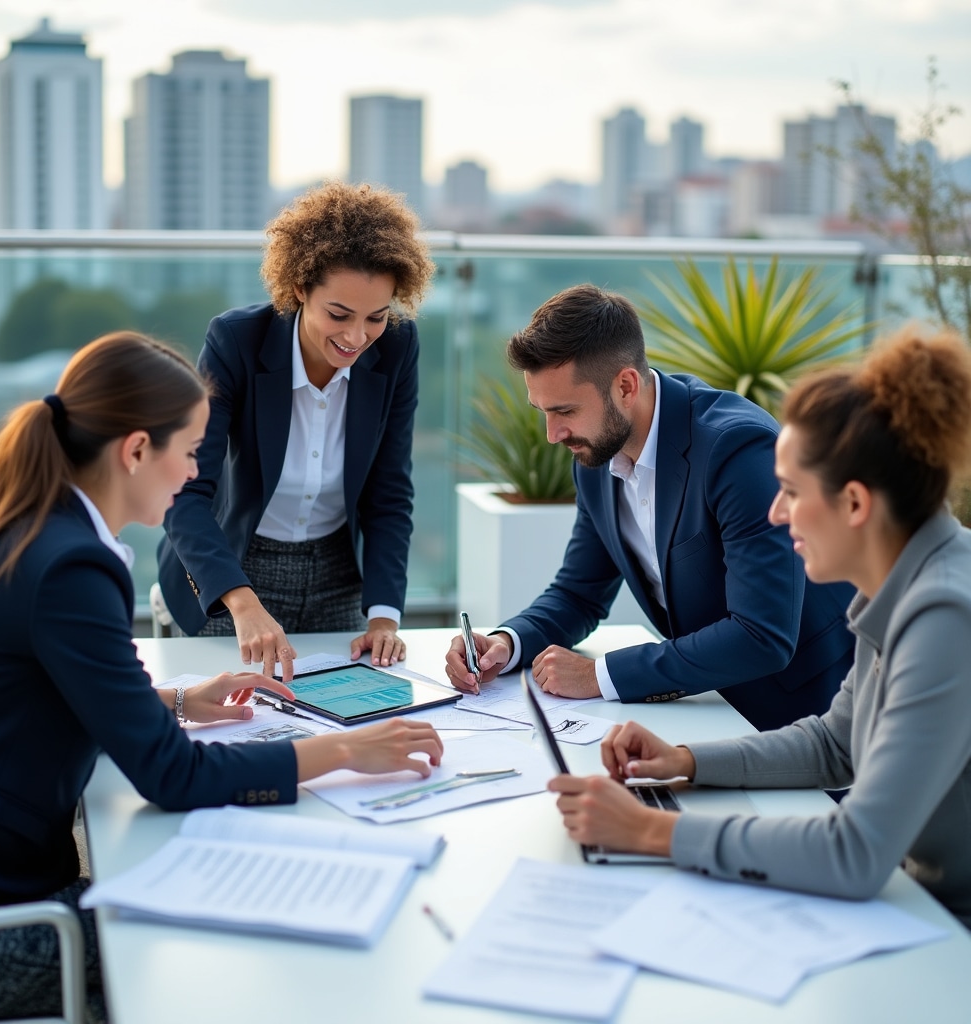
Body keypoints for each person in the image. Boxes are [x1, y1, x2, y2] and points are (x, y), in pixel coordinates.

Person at [0, 332, 443, 1023]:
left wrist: (176, 699)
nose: (194, 475)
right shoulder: (70, 568)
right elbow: (170, 777)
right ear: (136, 450)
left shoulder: (28, 528)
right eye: (190, 451)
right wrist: (343, 750)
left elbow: (36, 687)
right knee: (175, 942)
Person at [549, 325, 971, 925]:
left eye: (791, 492)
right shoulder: (904, 586)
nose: (775, 512)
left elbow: (855, 855)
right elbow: (834, 744)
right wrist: (686, 760)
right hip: (919, 905)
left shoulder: (945, 617)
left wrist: (651, 833)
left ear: (854, 504)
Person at [446, 284, 854, 731]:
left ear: (625, 385)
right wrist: (508, 642)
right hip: (709, 711)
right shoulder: (596, 457)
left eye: (564, 411)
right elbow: (579, 593)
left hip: (810, 717)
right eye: (542, 411)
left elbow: (762, 635)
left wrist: (599, 675)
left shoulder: (737, 449)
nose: (553, 434)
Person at [158, 181, 436, 681]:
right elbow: (186, 489)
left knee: (347, 728)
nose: (356, 337)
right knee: (238, 726)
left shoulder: (397, 347)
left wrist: (383, 616)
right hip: (236, 568)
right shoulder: (236, 342)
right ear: (300, 288)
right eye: (338, 314)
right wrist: (242, 602)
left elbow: (389, 491)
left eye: (376, 316)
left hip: (338, 573)